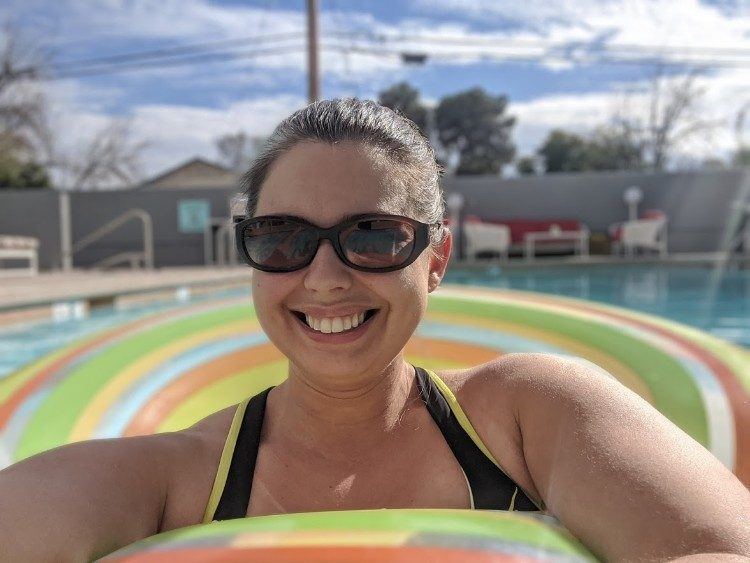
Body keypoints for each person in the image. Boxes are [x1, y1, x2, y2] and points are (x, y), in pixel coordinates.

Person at [1, 99, 749, 562]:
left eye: (375, 235)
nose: (324, 277)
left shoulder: (524, 415)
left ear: (437, 257)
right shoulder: (184, 472)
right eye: (282, 237)